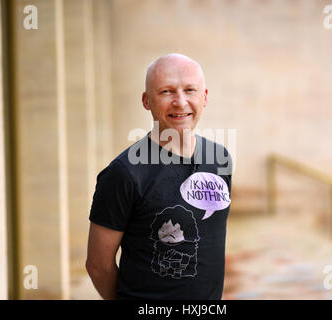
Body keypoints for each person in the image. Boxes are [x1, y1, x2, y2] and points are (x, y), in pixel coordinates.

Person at [86, 53, 233, 300]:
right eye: (166, 92)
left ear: (205, 96)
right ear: (146, 100)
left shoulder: (220, 159)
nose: (180, 102)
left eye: (190, 90)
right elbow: (98, 265)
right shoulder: (123, 173)